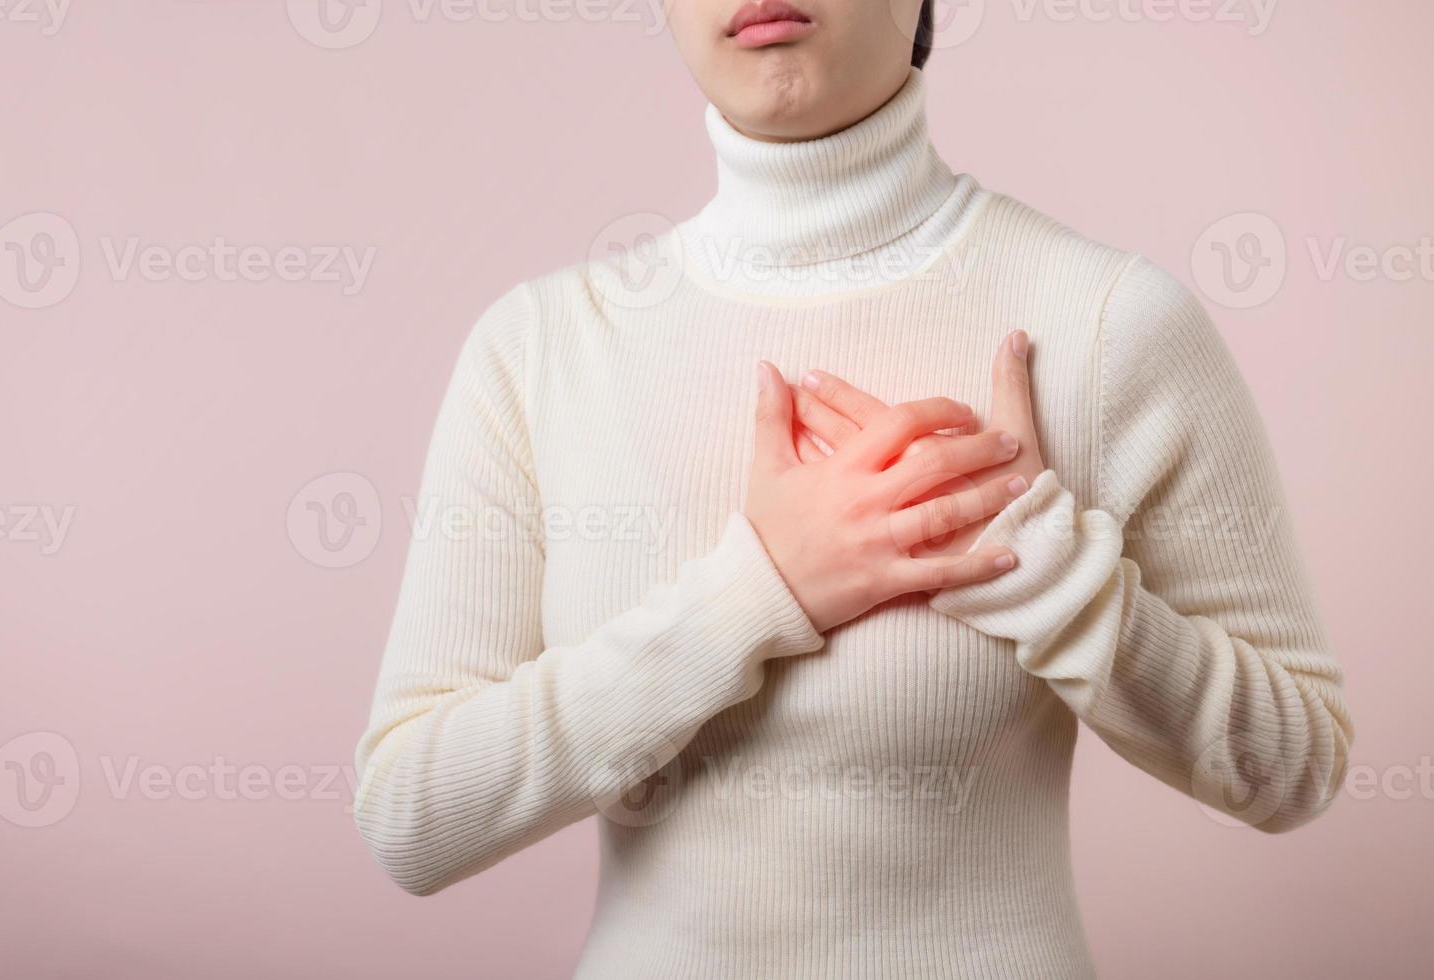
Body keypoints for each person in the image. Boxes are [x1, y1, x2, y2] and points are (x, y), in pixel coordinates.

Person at [350, 0, 1354, 975]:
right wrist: (753, 594)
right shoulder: (537, 351)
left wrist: (1050, 579)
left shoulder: (1104, 323)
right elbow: (412, 816)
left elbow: (1292, 767)